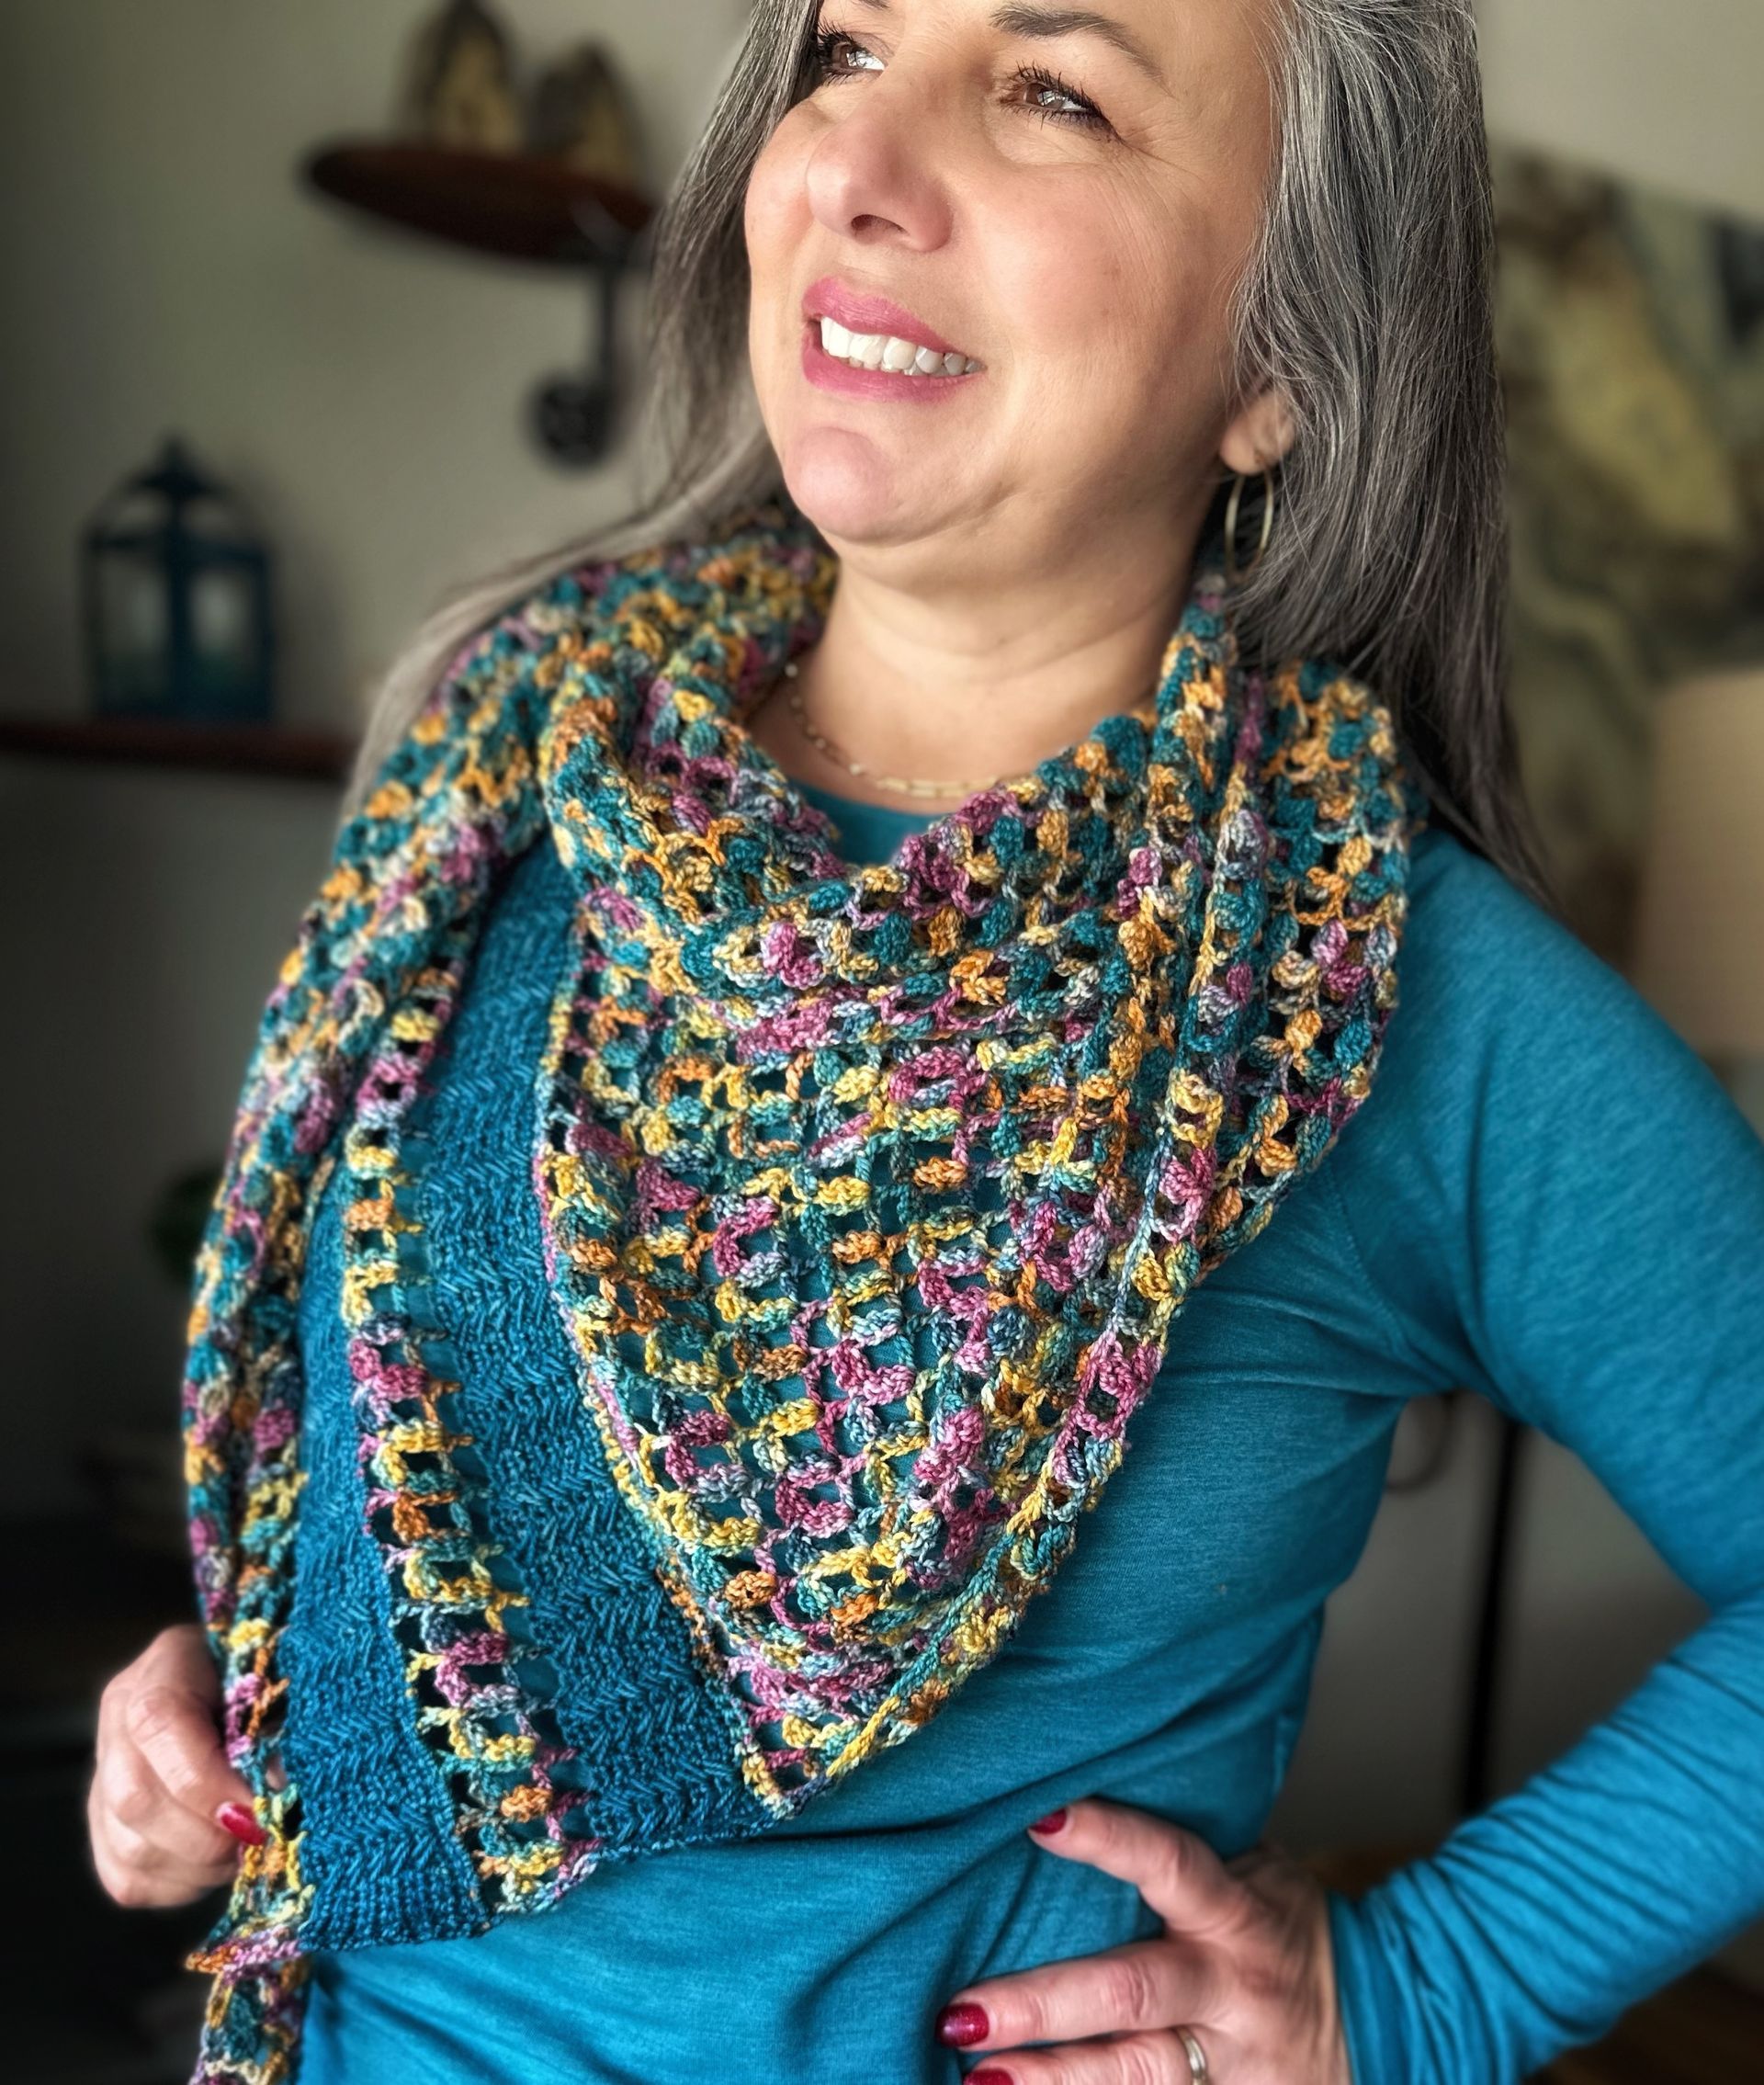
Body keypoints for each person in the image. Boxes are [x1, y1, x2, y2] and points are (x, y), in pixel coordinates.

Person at [88, 3, 1764, 2082]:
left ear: (1283, 364)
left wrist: (1422, 1990)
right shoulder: (504, 767)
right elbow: (411, 1529)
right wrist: (238, 1699)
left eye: (1055, 92)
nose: (855, 167)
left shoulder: (1371, 982)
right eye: (847, 45)